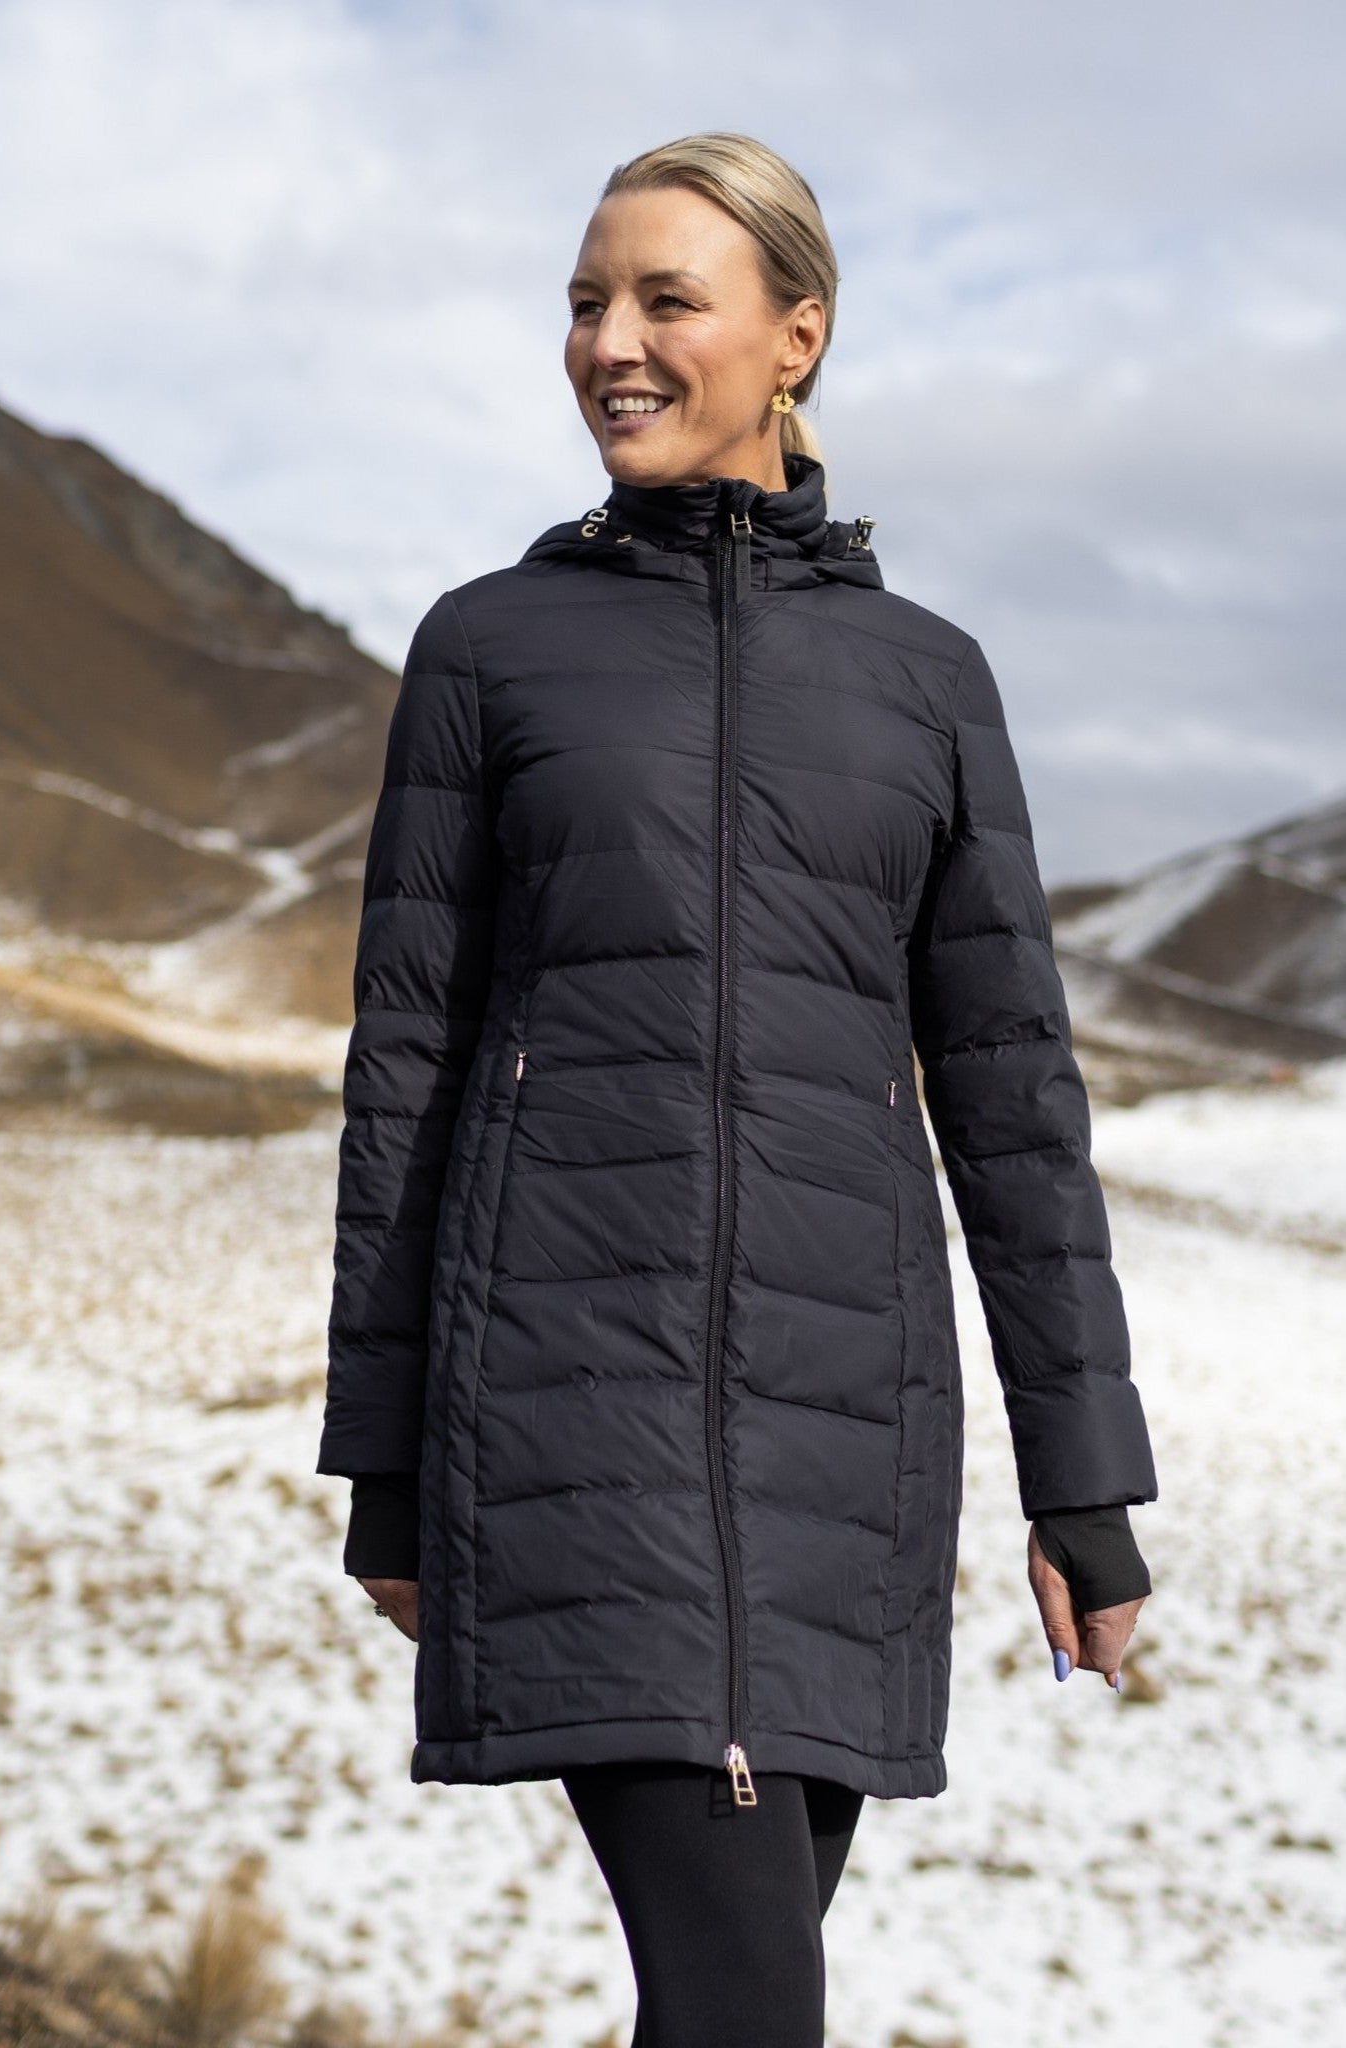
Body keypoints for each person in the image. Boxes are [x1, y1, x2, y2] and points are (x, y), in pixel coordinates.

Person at [316, 131, 1157, 2048]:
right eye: (584, 305)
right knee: (747, 1999)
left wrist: (1083, 1484)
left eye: (660, 300)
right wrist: (385, 1461)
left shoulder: (929, 683)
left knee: (732, 1999)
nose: (608, 342)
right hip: (562, 1419)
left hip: (841, 1448)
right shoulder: (488, 651)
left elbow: (1012, 1095)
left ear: (797, 337)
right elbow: (410, 1072)